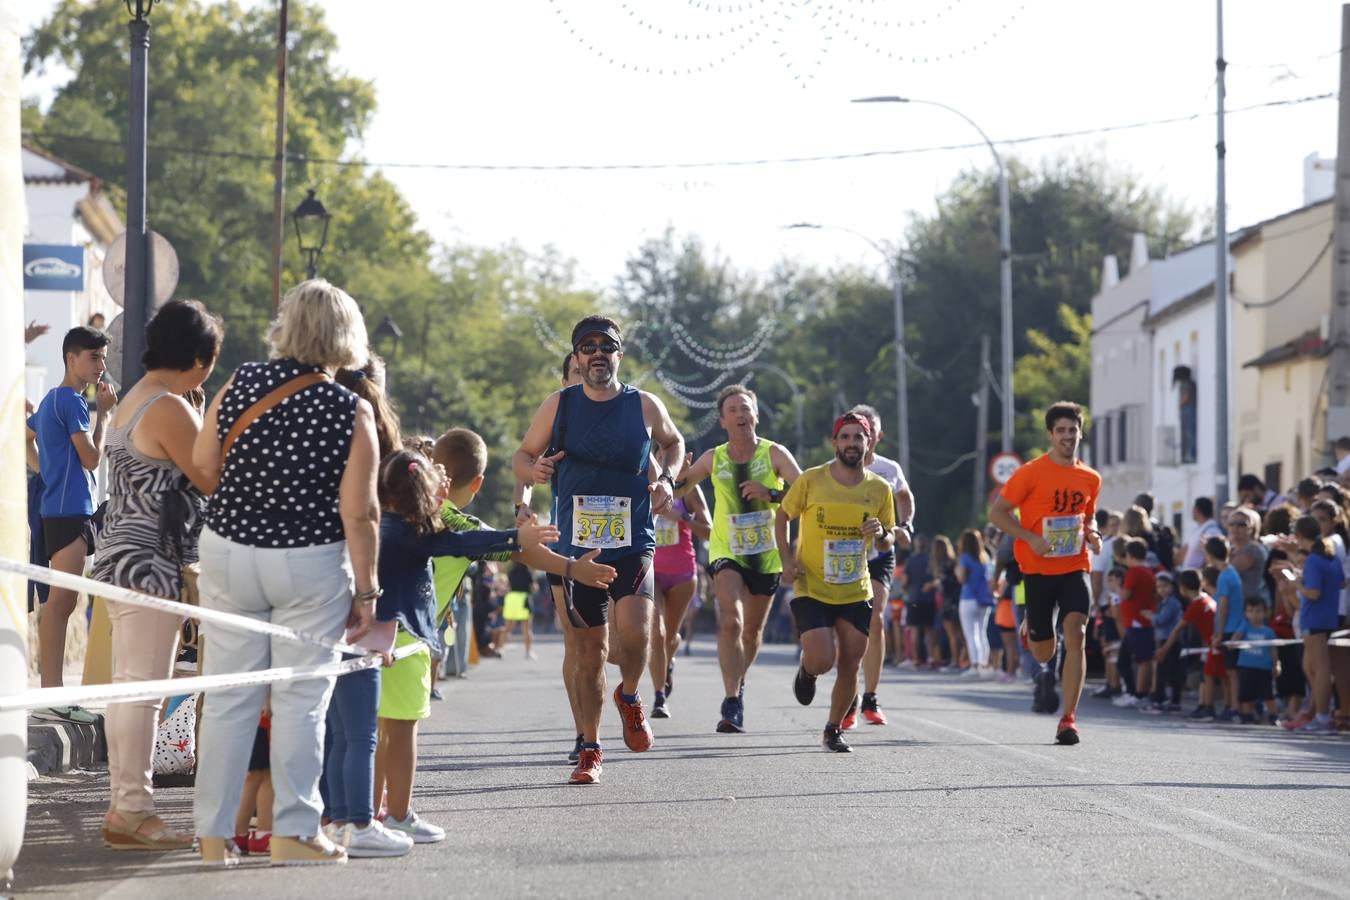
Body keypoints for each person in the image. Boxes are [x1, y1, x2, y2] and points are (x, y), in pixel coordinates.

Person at [190, 279, 383, 867]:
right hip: (309, 561)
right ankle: (293, 833)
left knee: (229, 697)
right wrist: (367, 589)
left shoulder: (242, 381)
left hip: (228, 549)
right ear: (346, 336)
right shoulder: (349, 409)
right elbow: (360, 511)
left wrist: (253, 504)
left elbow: (202, 463)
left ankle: (213, 836)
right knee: (302, 699)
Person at [513, 316, 685, 784]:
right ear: (576, 358)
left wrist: (667, 479)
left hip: (632, 540)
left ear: (618, 356)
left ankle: (629, 695)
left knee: (637, 635)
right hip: (578, 548)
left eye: (605, 347)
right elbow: (523, 456)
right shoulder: (559, 406)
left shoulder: (644, 405)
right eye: (587, 348)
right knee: (590, 651)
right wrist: (535, 473)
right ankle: (590, 746)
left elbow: (674, 443)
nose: (596, 355)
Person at [365, 447, 558, 846]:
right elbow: (465, 539)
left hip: (380, 638)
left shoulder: (382, 524)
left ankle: (370, 815)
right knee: (402, 733)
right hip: (405, 643)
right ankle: (397, 815)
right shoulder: (414, 532)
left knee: (381, 732)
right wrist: (514, 536)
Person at [92, 300, 222, 850]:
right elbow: (212, 476)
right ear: (198, 358)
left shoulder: (130, 401)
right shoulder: (170, 406)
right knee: (143, 691)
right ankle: (133, 810)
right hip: (152, 561)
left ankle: (125, 806)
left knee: (130, 689)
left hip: (120, 553)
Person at [673, 384, 801, 733]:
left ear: (756, 415)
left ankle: (738, 684)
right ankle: (731, 701)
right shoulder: (715, 457)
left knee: (752, 631)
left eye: (746, 408)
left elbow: (805, 492)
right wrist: (677, 476)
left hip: (766, 553)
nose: (741, 414)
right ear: (723, 420)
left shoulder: (774, 454)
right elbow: (680, 488)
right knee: (731, 619)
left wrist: (771, 493)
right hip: (727, 550)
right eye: (733, 410)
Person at [776, 412, 896, 752]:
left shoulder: (879, 488)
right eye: (846, 437)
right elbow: (784, 515)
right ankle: (807, 671)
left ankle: (832, 729)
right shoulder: (812, 480)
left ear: (868, 443)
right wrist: (786, 560)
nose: (852, 443)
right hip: (812, 584)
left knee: (851, 661)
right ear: (835, 443)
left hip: (855, 586)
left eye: (859, 437)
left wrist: (882, 533)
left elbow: (888, 540)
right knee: (822, 659)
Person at [988, 402, 1102, 745]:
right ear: (1051, 435)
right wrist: (1030, 537)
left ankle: (1068, 719)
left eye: (1073, 430)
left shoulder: (1091, 478)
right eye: (1061, 431)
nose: (1068, 436)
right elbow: (999, 514)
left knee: (1077, 631)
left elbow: (1089, 516)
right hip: (1037, 569)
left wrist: (1093, 533)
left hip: (1075, 564)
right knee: (1044, 652)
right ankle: (1033, 629)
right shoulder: (1030, 473)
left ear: (1081, 433)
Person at [24, 326, 116, 711]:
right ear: (71, 358)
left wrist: (46, 472)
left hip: (58, 509)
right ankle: (53, 694)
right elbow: (92, 458)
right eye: (93, 357)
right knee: (61, 604)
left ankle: (53, 692)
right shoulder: (74, 403)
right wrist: (105, 416)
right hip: (69, 512)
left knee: (60, 604)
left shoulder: (49, 401)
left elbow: (21, 435)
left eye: (103, 358)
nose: (100, 366)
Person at [843, 404, 914, 727]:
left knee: (875, 619)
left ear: (876, 435)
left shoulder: (889, 468)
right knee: (847, 626)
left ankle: (870, 696)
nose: (862, 437)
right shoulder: (837, 469)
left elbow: (905, 496)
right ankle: (848, 695)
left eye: (867, 430)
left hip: (881, 553)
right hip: (845, 555)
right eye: (856, 431)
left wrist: (906, 525)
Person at [1271, 515, 1344, 733]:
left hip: (1314, 617)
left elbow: (1313, 593)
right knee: (1312, 667)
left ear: (1301, 536)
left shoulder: (1313, 559)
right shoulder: (1330, 557)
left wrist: (1296, 583)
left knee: (1319, 669)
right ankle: (1317, 713)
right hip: (1328, 616)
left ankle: (1321, 716)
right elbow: (1341, 582)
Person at [649, 469, 712, 719]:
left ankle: (668, 662)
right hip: (650, 570)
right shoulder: (644, 484)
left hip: (682, 574)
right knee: (657, 633)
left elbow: (709, 531)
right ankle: (659, 697)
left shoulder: (689, 490)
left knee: (670, 637)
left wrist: (682, 516)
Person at [1156, 569, 1222, 721]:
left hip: (1212, 643)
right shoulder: (1207, 598)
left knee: (1208, 676)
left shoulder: (1197, 605)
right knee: (1207, 676)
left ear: (1182, 587)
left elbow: (1179, 628)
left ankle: (1208, 707)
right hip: (1210, 643)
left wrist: (1164, 649)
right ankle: (1202, 705)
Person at [1113, 538, 1157, 708]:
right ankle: (1133, 692)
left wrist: (1117, 587)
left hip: (1138, 622)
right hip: (1136, 622)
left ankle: (1139, 693)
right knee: (1125, 660)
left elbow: (1126, 594)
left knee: (1141, 659)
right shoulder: (1147, 570)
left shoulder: (1135, 571)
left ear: (1130, 555)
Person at [1231, 597, 1279, 724]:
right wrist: (1239, 631)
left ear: (1265, 612)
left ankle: (1273, 716)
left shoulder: (1269, 632)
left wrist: (1276, 664)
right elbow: (1235, 639)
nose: (1254, 614)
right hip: (1246, 666)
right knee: (1246, 693)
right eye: (1250, 611)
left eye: (1258, 611)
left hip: (1263, 668)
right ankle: (1247, 715)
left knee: (1268, 694)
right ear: (1246, 613)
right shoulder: (1245, 628)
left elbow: (1273, 650)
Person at [955, 528, 995, 678]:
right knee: (982, 632)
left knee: (971, 634)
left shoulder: (965, 557)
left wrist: (957, 571)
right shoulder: (985, 557)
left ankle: (975, 665)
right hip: (983, 598)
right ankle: (984, 664)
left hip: (968, 597)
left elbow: (962, 579)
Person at [903, 535, 938, 668]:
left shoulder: (910, 561)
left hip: (914, 598)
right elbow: (936, 577)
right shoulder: (931, 560)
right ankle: (930, 658)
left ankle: (916, 659)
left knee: (915, 630)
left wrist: (906, 589)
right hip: (929, 598)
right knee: (929, 630)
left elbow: (905, 581)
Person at [501, 561, 537, 658]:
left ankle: (501, 648)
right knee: (527, 628)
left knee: (507, 626)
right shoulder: (527, 573)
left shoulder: (511, 572)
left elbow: (508, 586)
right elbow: (534, 587)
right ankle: (528, 652)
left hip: (512, 599)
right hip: (524, 599)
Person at [1181, 497, 1223, 570]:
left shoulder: (1212, 531)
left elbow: (1214, 557)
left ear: (1197, 510)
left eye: (1193, 509)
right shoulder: (1198, 529)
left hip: (1200, 578)